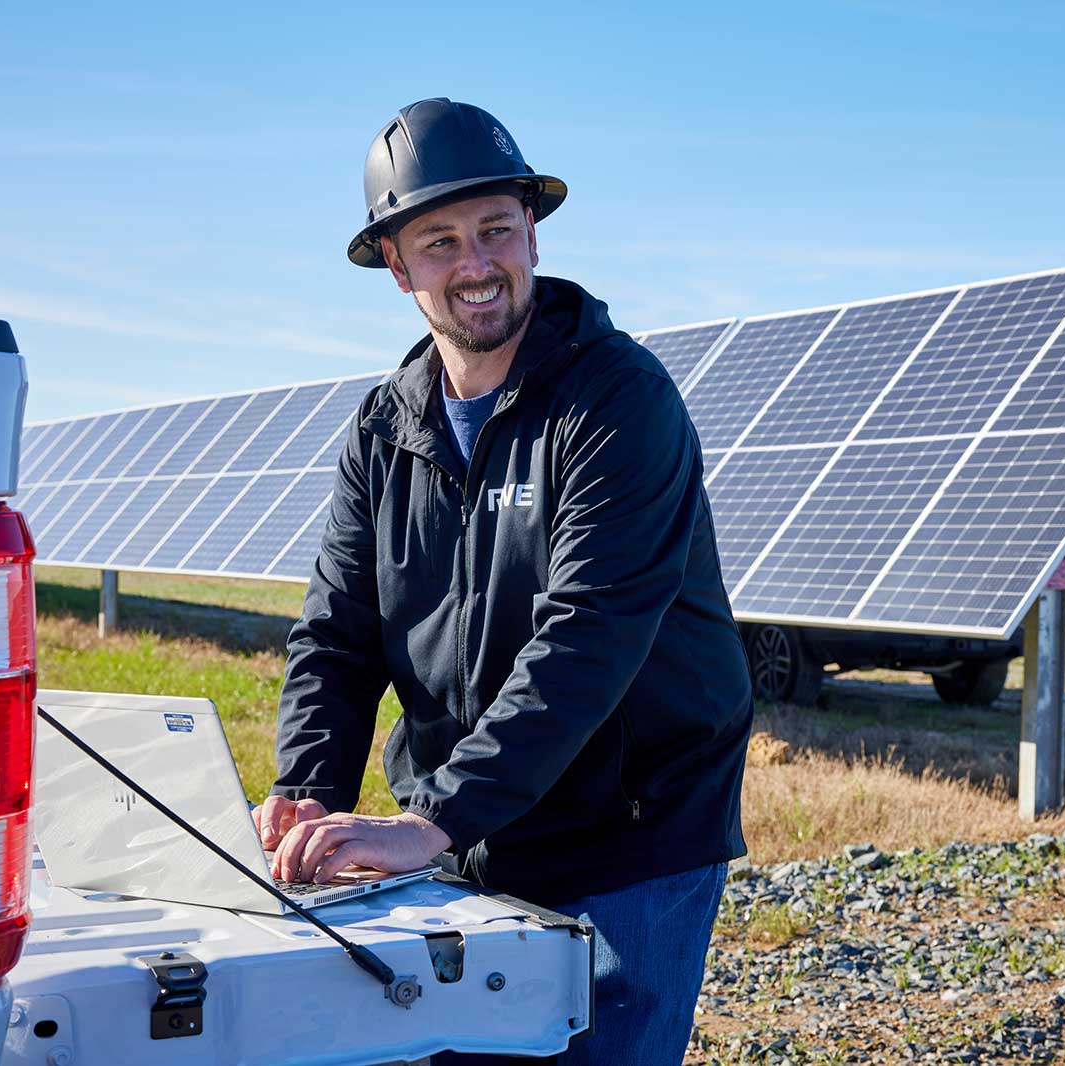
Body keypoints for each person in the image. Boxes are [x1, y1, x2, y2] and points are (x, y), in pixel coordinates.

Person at [252, 98, 755, 1065]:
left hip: (628, 838)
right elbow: (337, 634)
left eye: (496, 229)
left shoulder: (618, 401)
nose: (477, 264)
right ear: (397, 268)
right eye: (439, 242)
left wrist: (430, 820)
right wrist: (309, 790)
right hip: (475, 835)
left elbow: (590, 634)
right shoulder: (384, 428)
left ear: (532, 230)